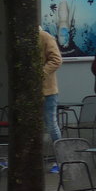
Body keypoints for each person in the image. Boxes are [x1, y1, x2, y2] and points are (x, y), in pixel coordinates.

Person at [39, 27, 63, 172]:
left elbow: (57, 59)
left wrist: (39, 74)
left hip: (47, 90)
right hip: (31, 91)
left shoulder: (44, 36)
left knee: (51, 124)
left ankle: (61, 159)